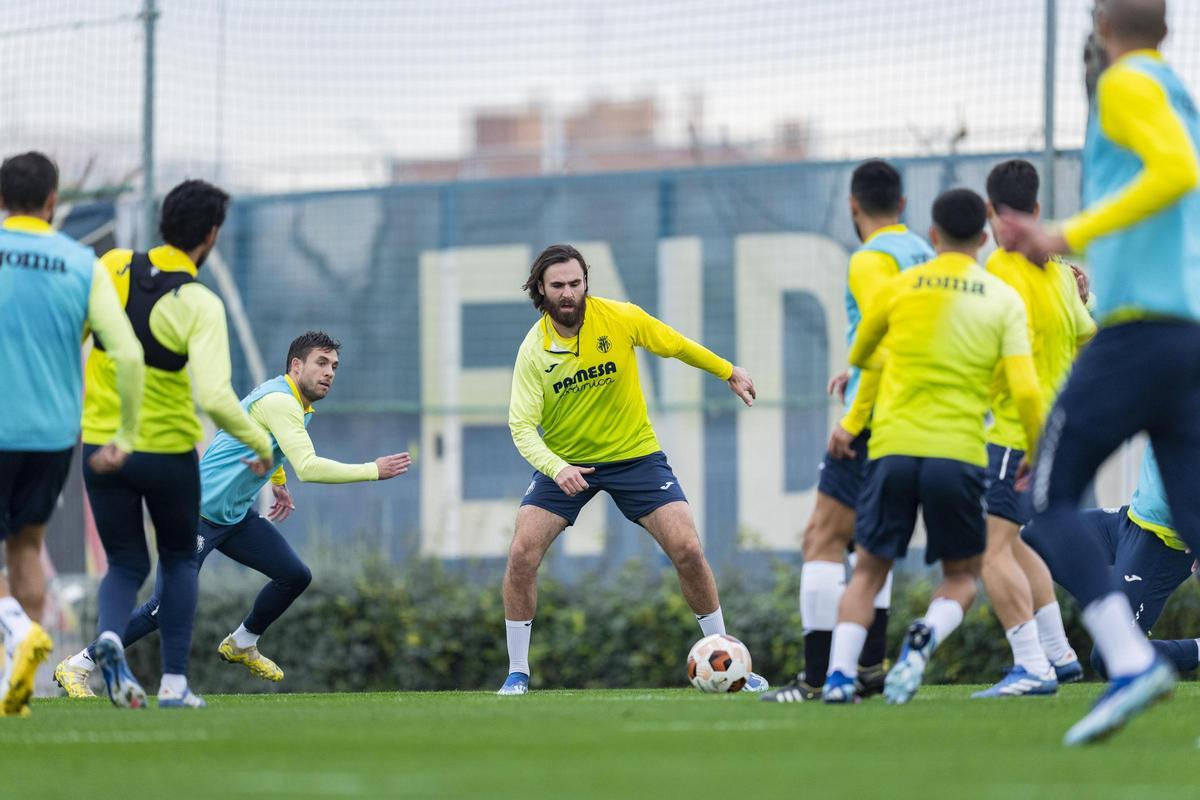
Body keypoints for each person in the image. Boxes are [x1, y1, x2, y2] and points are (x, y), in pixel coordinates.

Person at [998, 0, 1200, 744]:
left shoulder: (1125, 84)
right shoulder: (1179, 91)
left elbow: (1177, 173)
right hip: (1184, 334)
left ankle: (1129, 662)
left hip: (1140, 331)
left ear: (1101, 28)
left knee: (1043, 505)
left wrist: (1064, 233)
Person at [56, 332, 410, 696]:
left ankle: (242, 642)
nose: (329, 372)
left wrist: (278, 480)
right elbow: (309, 466)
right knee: (162, 609)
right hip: (192, 514)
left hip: (233, 517)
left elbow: (267, 441)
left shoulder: (294, 403)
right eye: (321, 363)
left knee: (294, 575)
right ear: (296, 365)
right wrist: (373, 469)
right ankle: (78, 664)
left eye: (334, 366)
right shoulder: (280, 401)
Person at [499, 243, 764, 695]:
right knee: (522, 554)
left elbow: (673, 343)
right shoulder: (533, 351)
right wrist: (556, 466)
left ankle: (724, 654)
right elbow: (521, 426)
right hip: (565, 462)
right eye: (558, 285)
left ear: (586, 283)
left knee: (688, 549)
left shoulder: (618, 317)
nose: (569, 293)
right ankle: (518, 673)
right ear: (540, 290)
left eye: (576, 283)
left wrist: (727, 371)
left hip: (634, 456)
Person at [821, 189, 1043, 705]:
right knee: (963, 576)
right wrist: (1034, 448)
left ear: (934, 235)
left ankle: (837, 678)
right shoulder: (1001, 298)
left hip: (894, 449)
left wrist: (859, 413)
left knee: (870, 569)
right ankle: (923, 638)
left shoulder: (900, 289)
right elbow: (1027, 390)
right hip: (959, 453)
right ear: (984, 238)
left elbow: (862, 355)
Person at [77, 179, 276, 709]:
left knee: (123, 563)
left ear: (164, 220)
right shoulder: (200, 302)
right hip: (166, 454)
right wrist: (258, 442)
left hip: (101, 446)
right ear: (210, 236)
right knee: (179, 562)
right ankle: (173, 684)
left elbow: (76, 337)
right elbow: (214, 396)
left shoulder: (110, 265)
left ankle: (111, 638)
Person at [764, 159, 933, 703]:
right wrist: (855, 372)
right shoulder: (926, 255)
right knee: (870, 546)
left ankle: (816, 678)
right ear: (903, 206)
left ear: (853, 206)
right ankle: (869, 670)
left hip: (877, 416)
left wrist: (854, 417)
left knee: (823, 538)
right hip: (922, 415)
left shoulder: (869, 258)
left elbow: (885, 343)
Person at [0, 151, 145, 717]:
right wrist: (127, 433)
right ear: (54, 201)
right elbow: (128, 351)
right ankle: (22, 689)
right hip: (54, 434)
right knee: (27, 548)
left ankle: (15, 630)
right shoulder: (82, 264)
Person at [973, 160, 1095, 698]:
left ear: (991, 213)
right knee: (1018, 541)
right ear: (1038, 209)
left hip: (1015, 433)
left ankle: (1032, 665)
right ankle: (1061, 655)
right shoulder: (1062, 270)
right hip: (1058, 432)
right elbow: (1088, 333)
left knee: (988, 551)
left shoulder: (1000, 268)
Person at [1023, 447, 1200, 679]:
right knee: (1035, 539)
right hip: (1131, 520)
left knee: (1107, 657)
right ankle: (1060, 648)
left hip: (1162, 546)